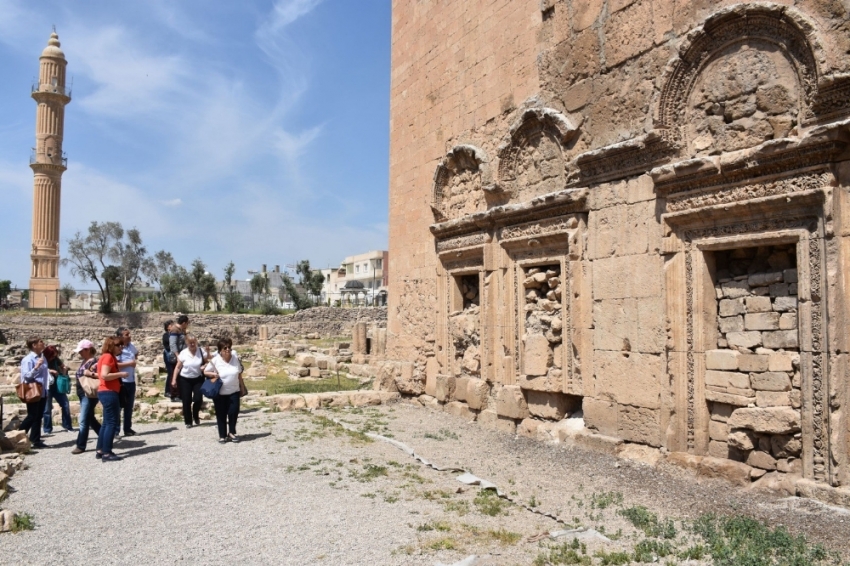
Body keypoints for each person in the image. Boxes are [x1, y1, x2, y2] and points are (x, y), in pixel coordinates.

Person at [204, 337, 243, 443]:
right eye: (225, 348)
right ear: (220, 350)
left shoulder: (235, 359)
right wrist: (214, 374)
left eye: (229, 347)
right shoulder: (216, 360)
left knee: (233, 412)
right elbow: (206, 372)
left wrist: (242, 387)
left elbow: (239, 374)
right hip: (220, 392)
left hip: (234, 390)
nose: (227, 350)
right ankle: (222, 435)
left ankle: (232, 432)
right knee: (221, 413)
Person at [96, 336, 127, 462]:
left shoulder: (107, 357)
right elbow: (105, 375)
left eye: (121, 345)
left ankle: (100, 449)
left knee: (106, 422)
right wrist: (121, 374)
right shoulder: (108, 357)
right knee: (111, 423)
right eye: (118, 345)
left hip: (106, 392)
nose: (121, 348)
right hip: (109, 392)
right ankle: (107, 452)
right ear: (111, 346)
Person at [19, 336, 49, 449]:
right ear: (34, 345)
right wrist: (36, 367)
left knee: (38, 416)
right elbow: (26, 376)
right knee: (31, 415)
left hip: (42, 391)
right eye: (41, 341)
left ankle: (35, 440)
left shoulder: (43, 357)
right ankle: (18, 435)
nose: (43, 343)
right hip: (32, 390)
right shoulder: (28, 359)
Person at [172, 334, 208, 428]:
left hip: (198, 378)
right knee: (186, 400)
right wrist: (174, 379)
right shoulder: (183, 353)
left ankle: (195, 414)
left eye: (194, 342)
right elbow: (178, 367)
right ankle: (188, 421)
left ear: (196, 342)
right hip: (185, 379)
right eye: (190, 343)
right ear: (187, 343)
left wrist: (204, 366)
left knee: (198, 399)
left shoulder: (201, 351)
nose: (192, 344)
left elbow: (207, 361)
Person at [72, 339, 101, 455]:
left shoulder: (94, 362)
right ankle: (104, 435)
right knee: (90, 418)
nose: (79, 353)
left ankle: (81, 445)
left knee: (83, 420)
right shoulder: (85, 361)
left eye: (81, 351)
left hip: (88, 394)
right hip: (82, 393)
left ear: (88, 350)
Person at [42, 345, 74, 434]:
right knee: (47, 409)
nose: (53, 357)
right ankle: (47, 429)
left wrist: (64, 371)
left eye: (55, 355)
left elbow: (63, 367)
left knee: (65, 405)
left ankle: (67, 425)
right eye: (52, 355)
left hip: (57, 386)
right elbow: (41, 369)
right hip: (47, 386)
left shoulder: (56, 359)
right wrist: (50, 371)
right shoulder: (43, 359)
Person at [116, 327, 138, 436]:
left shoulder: (131, 346)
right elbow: (114, 364)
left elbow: (136, 353)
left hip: (131, 380)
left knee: (129, 406)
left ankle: (127, 429)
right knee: (119, 406)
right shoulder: (117, 349)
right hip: (122, 381)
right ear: (120, 337)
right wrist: (129, 364)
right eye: (126, 334)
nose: (129, 336)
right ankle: (115, 430)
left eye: (129, 334)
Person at [168, 315, 189, 401]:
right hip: (176, 357)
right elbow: (172, 344)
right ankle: (174, 395)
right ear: (184, 323)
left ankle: (180, 394)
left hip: (181, 355)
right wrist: (177, 356)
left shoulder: (181, 330)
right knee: (174, 375)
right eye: (187, 323)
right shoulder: (174, 330)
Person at [162, 320, 176, 401]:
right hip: (168, 356)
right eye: (171, 325)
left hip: (174, 356)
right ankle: (167, 391)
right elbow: (169, 343)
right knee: (170, 372)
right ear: (168, 327)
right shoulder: (166, 335)